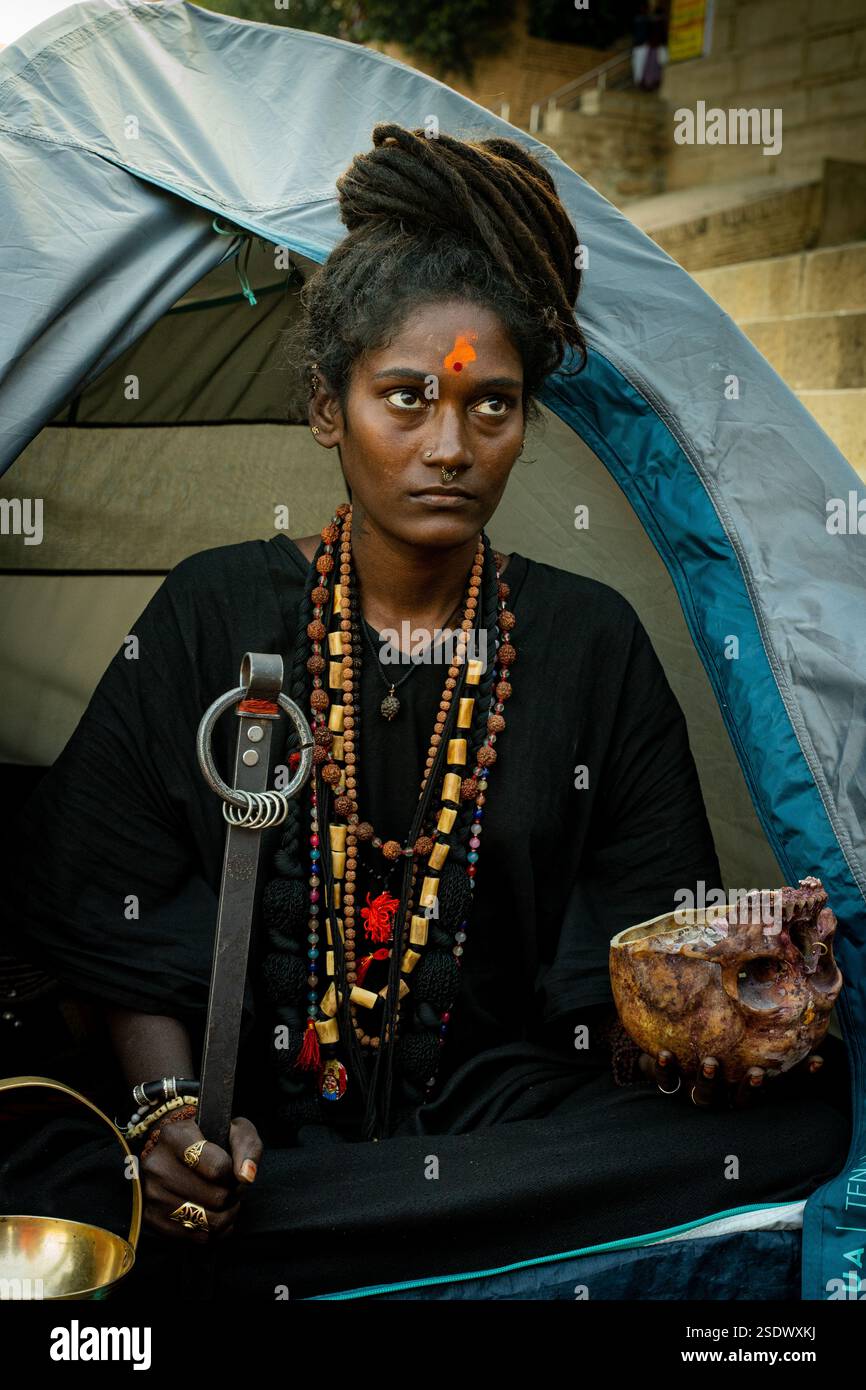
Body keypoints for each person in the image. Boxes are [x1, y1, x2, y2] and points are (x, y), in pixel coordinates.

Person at [1, 124, 850, 1300]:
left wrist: (722, 1020)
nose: (447, 446)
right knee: (51, 1171)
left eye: (490, 405)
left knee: (805, 1136)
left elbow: (632, 962)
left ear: (524, 421)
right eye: (405, 397)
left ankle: (323, 1236)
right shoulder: (213, 609)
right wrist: (166, 1113)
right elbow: (106, 906)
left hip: (506, 1119)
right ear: (323, 406)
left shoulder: (589, 641)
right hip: (236, 1097)